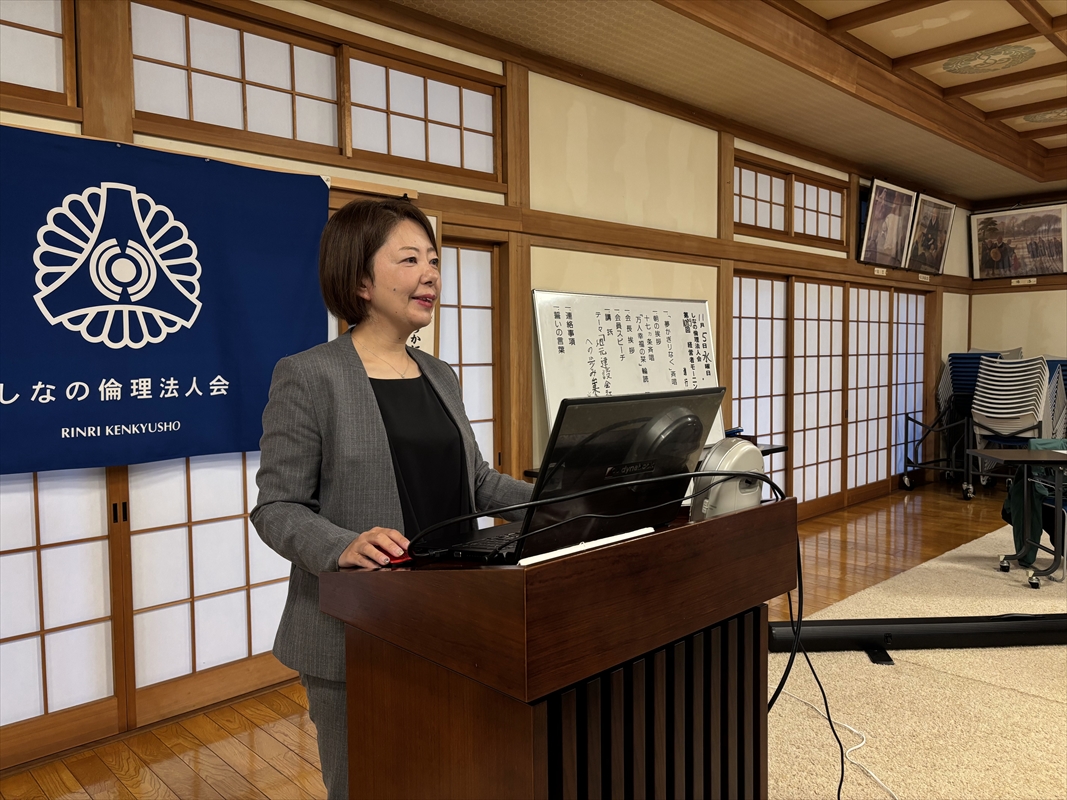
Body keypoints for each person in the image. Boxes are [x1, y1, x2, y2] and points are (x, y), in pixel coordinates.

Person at [250, 199, 533, 799]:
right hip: (359, 629)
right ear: (360, 280)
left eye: (434, 260)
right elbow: (277, 507)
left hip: (455, 615)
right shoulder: (309, 375)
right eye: (410, 260)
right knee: (369, 785)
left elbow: (478, 482)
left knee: (452, 774)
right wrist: (343, 544)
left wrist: (557, 495)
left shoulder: (439, 374)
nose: (431, 274)